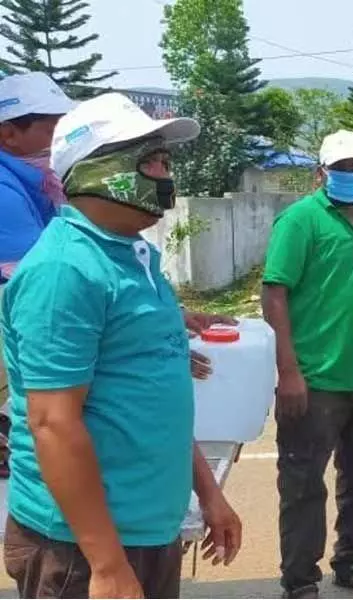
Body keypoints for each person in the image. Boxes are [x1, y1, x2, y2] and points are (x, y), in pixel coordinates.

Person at [1, 92, 243, 599]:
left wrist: (208, 493)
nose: (163, 174)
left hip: (145, 527)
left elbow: (154, 392)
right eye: (149, 160)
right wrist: (107, 564)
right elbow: (53, 424)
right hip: (81, 547)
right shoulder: (65, 271)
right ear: (95, 169)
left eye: (165, 160)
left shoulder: (137, 260)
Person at [262, 130, 353, 598]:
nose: (350, 176)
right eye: (340, 168)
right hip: (313, 380)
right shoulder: (300, 220)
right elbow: (274, 294)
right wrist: (289, 372)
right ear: (320, 173)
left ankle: (352, 561)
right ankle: (300, 579)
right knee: (304, 485)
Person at [0, 72, 75, 444]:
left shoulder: (41, 182)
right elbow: (49, 284)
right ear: (8, 134)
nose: (59, 141)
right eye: (51, 130)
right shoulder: (3, 191)